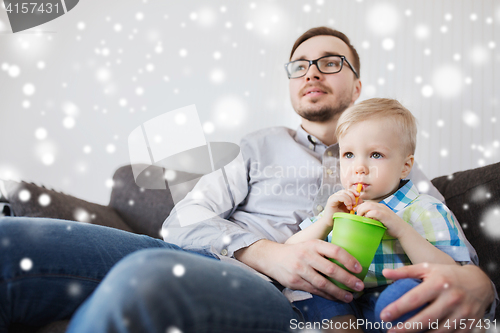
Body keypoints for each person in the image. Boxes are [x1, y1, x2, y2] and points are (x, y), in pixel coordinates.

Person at [0, 27, 495, 333]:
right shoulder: (257, 146)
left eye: (329, 61)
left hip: (282, 299)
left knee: (146, 280)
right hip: (219, 259)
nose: (311, 72)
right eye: (299, 64)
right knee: (11, 240)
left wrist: (480, 285)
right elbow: (181, 222)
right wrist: (265, 252)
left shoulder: (396, 166)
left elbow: (458, 258)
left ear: (357, 84)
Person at [285, 98, 471, 331]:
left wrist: (402, 230)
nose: (359, 167)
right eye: (349, 155)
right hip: (345, 304)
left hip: (393, 308)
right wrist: (325, 223)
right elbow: (289, 250)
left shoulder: (425, 209)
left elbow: (452, 272)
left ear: (405, 166)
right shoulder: (339, 208)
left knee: (401, 293)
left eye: (375, 155)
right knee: (310, 289)